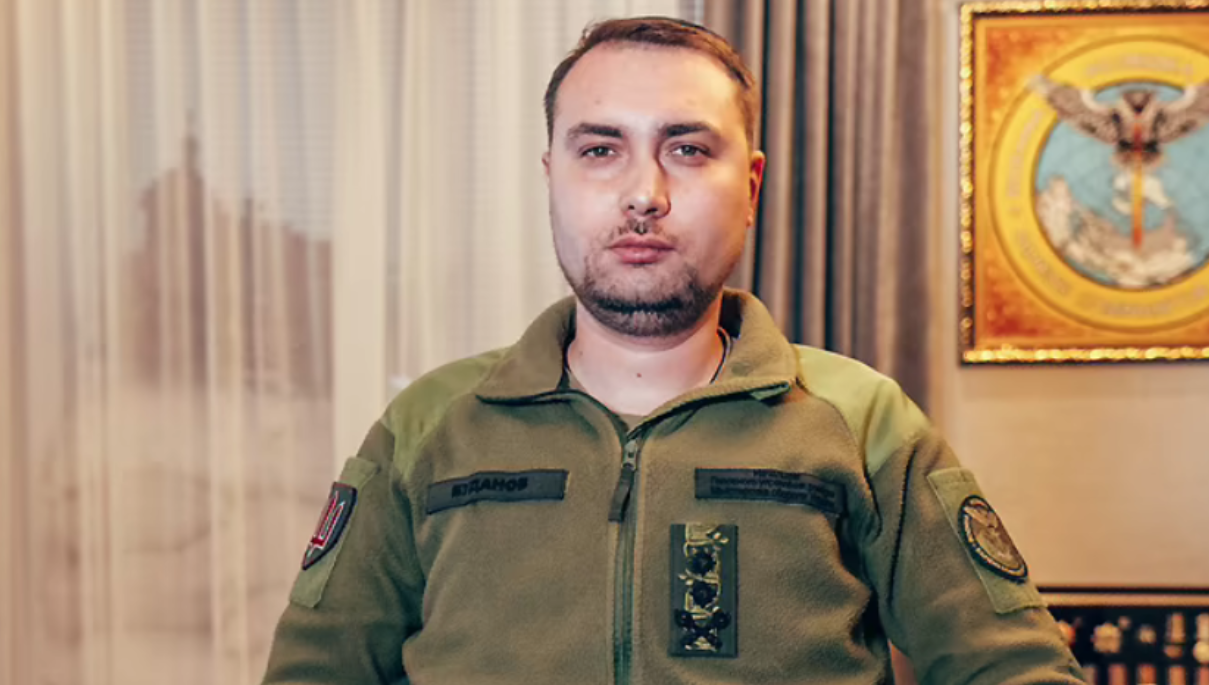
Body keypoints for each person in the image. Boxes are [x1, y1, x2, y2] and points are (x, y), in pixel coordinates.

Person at [262, 16, 1086, 685]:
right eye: (600, 149)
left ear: (751, 187)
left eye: (687, 149)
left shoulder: (865, 420)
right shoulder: (427, 424)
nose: (644, 193)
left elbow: (1015, 669)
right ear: (552, 178)